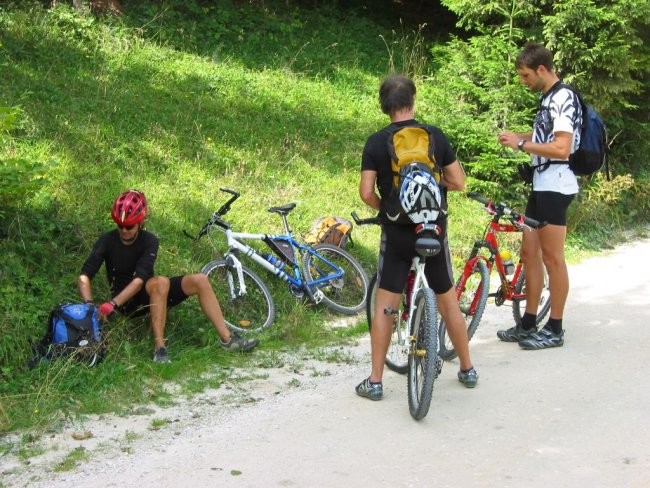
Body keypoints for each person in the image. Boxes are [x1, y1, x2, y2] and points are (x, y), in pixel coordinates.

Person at [357, 74, 478, 401]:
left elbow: (366, 192)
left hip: (397, 234)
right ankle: (467, 368)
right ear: (412, 101)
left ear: (385, 106)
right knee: (447, 298)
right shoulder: (434, 136)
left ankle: (376, 381)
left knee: (386, 305)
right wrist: (435, 190)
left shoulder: (375, 142)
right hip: (432, 229)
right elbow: (458, 181)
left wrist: (387, 208)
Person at [78, 189, 259, 363]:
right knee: (161, 282)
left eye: (129, 226)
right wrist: (89, 305)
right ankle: (160, 347)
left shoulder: (150, 240)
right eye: (120, 226)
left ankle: (228, 340)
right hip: (125, 303)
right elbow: (85, 275)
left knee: (200, 280)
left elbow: (140, 279)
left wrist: (111, 303)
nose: (124, 231)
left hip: (149, 295)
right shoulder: (107, 240)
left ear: (141, 222)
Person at [497, 42, 582, 350]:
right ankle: (529, 322)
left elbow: (562, 147)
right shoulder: (548, 98)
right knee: (529, 254)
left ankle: (555, 328)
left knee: (552, 258)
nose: (523, 81)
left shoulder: (563, 98)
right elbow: (545, 136)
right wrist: (520, 138)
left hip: (556, 185)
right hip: (541, 182)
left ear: (542, 70)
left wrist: (521, 146)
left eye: (525, 75)